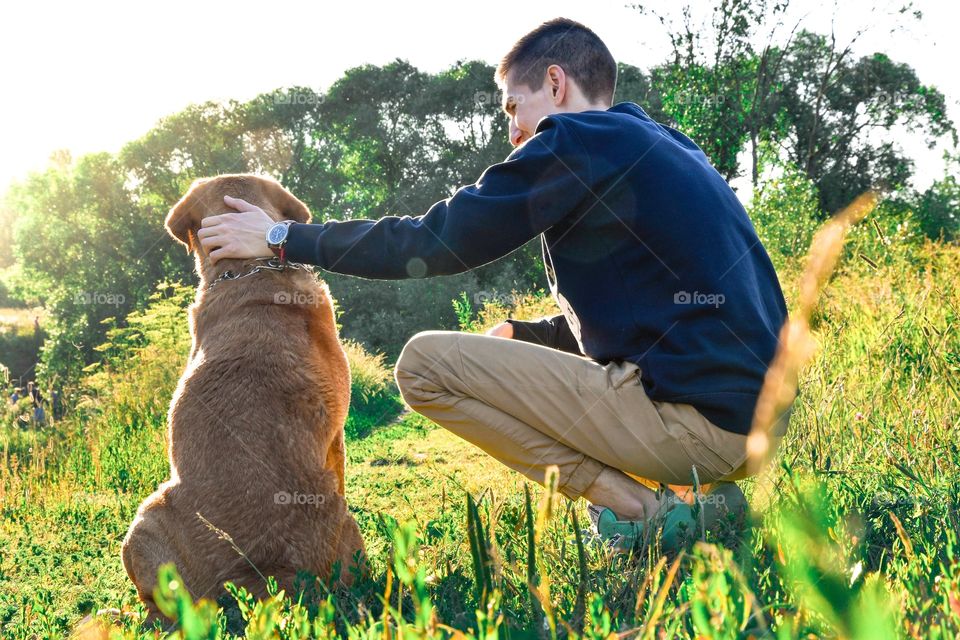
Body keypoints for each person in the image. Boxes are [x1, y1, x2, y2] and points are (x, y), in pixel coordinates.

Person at [196, 18, 795, 551]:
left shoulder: (575, 140)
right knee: (502, 348)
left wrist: (282, 237)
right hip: (755, 420)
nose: (512, 130)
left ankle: (644, 510)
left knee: (423, 366)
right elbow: (660, 305)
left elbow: (436, 241)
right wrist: (530, 334)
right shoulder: (662, 146)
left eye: (514, 107)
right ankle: (704, 499)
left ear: (556, 84)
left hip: (704, 427)